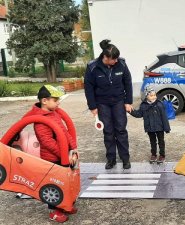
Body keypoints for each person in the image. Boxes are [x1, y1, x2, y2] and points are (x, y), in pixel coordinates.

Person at [23, 85, 78, 223]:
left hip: (63, 155)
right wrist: (65, 155)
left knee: (66, 181)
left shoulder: (54, 113)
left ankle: (65, 205)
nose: (58, 102)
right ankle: (55, 211)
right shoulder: (40, 120)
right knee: (55, 185)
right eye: (55, 100)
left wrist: (73, 148)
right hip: (52, 158)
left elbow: (64, 132)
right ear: (44, 101)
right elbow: (47, 142)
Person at [84, 39, 133, 170]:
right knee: (108, 131)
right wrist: (92, 106)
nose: (116, 61)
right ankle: (111, 159)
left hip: (118, 101)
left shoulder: (121, 64)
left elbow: (128, 82)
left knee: (121, 130)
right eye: (113, 59)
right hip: (102, 103)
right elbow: (88, 87)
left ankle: (125, 159)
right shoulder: (92, 67)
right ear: (106, 57)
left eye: (117, 58)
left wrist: (128, 102)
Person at [130, 87, 170, 163]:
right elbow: (138, 114)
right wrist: (130, 111)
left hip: (159, 127)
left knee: (161, 141)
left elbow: (164, 117)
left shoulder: (159, 104)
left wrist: (166, 128)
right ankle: (154, 154)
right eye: (151, 95)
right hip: (149, 127)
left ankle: (162, 155)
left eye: (155, 95)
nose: (154, 97)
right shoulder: (143, 105)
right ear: (146, 96)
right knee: (152, 141)